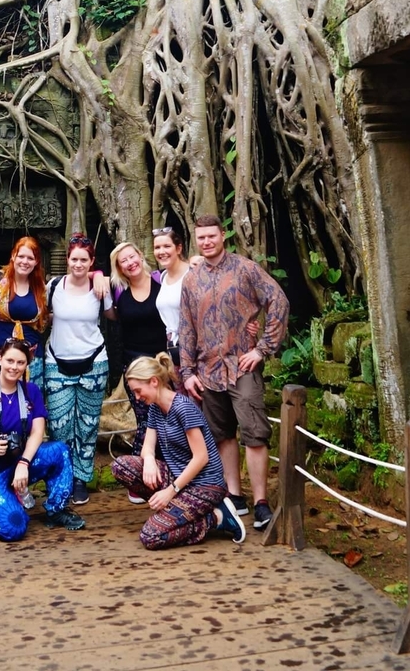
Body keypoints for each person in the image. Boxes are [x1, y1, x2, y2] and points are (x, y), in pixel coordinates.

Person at [179, 214, 289, 531]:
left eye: (212, 236)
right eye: (202, 237)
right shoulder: (192, 279)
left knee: (254, 432)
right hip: (207, 369)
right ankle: (234, 495)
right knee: (222, 434)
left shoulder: (245, 269)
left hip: (242, 364)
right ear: (196, 239)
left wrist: (262, 348)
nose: (207, 242)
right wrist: (187, 372)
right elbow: (185, 327)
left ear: (222, 236)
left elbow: (278, 300)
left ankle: (261, 501)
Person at [0, 338, 84, 540]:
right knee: (14, 527)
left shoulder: (31, 392)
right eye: (10, 360)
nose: (14, 367)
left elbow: (38, 431)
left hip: (15, 465)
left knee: (59, 451)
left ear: (27, 365)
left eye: (20, 362)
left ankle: (56, 511)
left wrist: (24, 462)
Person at [111, 353, 245, 548]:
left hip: (205, 485)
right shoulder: (155, 408)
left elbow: (201, 457)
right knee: (121, 466)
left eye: (139, 391)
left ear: (154, 382)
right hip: (178, 477)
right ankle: (176, 509)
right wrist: (148, 460)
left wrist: (170, 492)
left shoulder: (183, 408)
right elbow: (147, 446)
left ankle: (216, 517)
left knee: (151, 537)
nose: (138, 398)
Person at [44, 232, 111, 506]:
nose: (78, 264)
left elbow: (113, 314)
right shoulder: (54, 286)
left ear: (92, 261)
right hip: (57, 361)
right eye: (74, 259)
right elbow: (44, 316)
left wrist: (103, 277)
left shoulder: (100, 288)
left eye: (84, 260)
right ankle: (63, 476)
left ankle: (82, 478)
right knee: (59, 425)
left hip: (93, 361)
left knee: (87, 425)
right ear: (67, 260)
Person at [106, 242, 167, 468]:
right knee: (145, 420)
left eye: (133, 257)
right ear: (119, 267)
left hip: (163, 364)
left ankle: (169, 470)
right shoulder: (118, 289)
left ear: (141, 256)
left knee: (168, 418)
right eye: (124, 261)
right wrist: (94, 275)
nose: (130, 263)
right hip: (133, 366)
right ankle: (141, 473)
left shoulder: (162, 280)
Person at [0, 236, 49, 392]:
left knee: (29, 405)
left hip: (30, 358)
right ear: (13, 256)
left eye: (30, 258)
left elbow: (42, 323)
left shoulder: (40, 288)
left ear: (36, 262)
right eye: (21, 256)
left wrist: (96, 275)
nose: (25, 261)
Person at [152, 226, 191, 365]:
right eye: (157, 247)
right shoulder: (162, 277)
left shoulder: (193, 274)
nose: (161, 252)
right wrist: (97, 275)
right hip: (173, 350)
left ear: (178, 248)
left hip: (194, 350)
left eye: (167, 246)